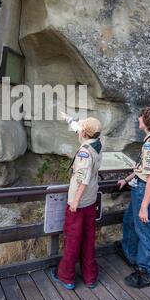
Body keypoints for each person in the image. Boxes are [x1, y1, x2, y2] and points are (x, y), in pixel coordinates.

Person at [115, 107, 150, 288]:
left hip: (146, 192)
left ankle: (147, 271)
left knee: (145, 231)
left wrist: (144, 205)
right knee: (130, 220)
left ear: (146, 122)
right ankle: (132, 256)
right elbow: (142, 170)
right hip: (142, 188)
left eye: (140, 118)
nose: (138, 120)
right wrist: (126, 179)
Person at [50, 114, 102, 290]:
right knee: (88, 238)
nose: (80, 130)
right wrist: (68, 119)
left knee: (72, 239)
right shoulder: (97, 143)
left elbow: (83, 180)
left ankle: (66, 276)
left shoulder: (84, 153)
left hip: (79, 204)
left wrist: (74, 203)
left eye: (82, 128)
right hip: (91, 201)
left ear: (85, 133)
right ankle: (90, 277)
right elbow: (81, 129)